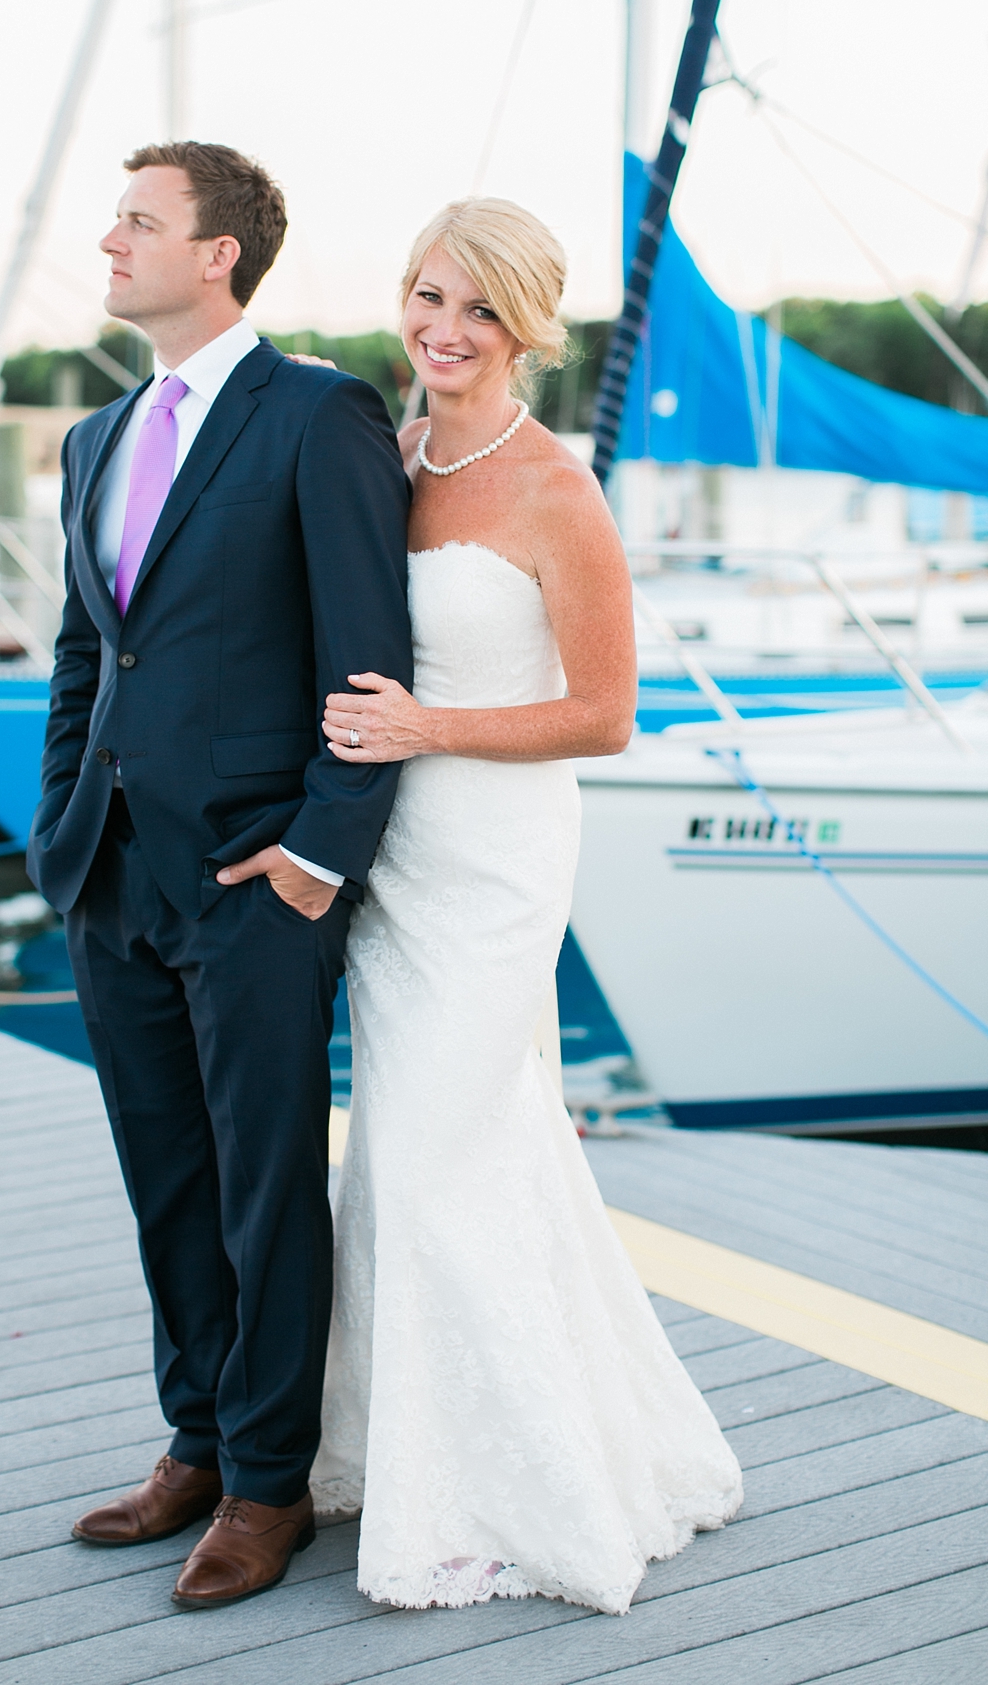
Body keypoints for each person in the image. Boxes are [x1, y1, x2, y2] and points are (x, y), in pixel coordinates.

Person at [310, 197, 743, 1613]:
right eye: (428, 296)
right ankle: (396, 1448)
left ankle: (503, 1493)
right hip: (395, 859)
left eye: (477, 310)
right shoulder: (396, 449)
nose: (442, 330)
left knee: (437, 1163)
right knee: (426, 1156)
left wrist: (429, 729)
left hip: (494, 864)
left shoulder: (558, 489)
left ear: (528, 330)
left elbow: (606, 715)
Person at [27, 141, 412, 1609]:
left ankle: (269, 1485)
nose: (109, 239)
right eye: (114, 216)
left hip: (258, 878)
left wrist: (320, 857)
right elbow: (85, 649)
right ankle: (193, 1439)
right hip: (112, 876)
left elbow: (371, 658)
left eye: (140, 220)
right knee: (166, 1181)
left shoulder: (317, 416)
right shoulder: (98, 436)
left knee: (265, 1193)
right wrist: (64, 820)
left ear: (220, 256)